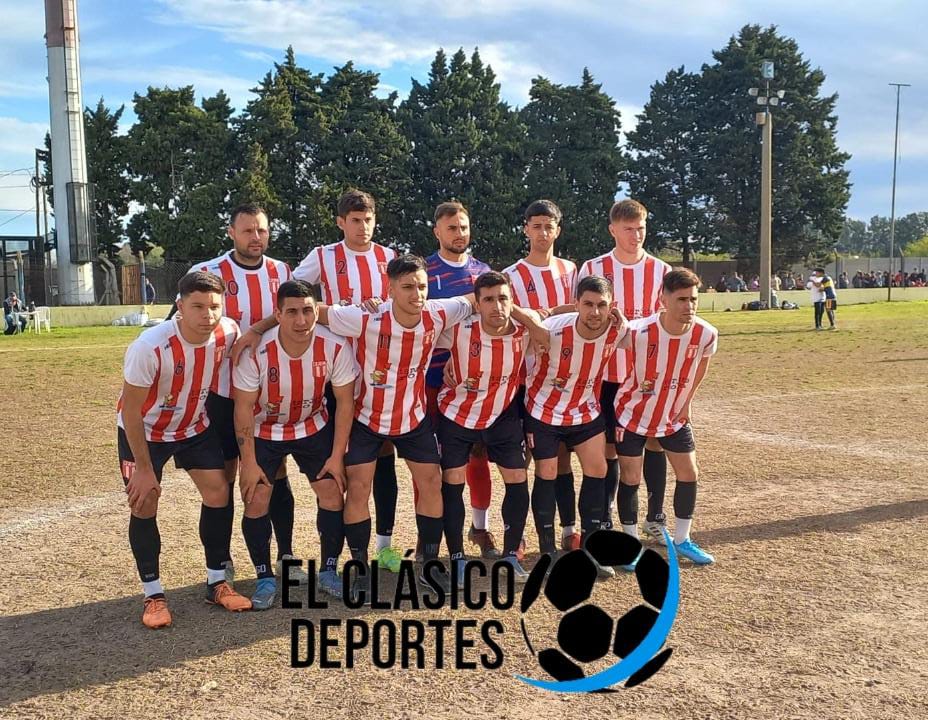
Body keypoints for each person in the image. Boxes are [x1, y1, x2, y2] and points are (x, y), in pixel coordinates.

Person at [117, 271, 251, 629]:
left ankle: (217, 582)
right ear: (180, 307)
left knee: (219, 491)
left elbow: (245, 349)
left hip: (193, 427)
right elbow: (130, 410)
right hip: (145, 431)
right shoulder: (150, 346)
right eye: (198, 306)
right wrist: (144, 468)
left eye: (214, 306)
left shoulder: (228, 331)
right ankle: (154, 594)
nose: (208, 315)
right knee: (144, 501)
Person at [290, 189, 402, 572]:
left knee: (384, 459)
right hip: (336, 375)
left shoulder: (388, 258)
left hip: (380, 375)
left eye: (368, 219)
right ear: (341, 222)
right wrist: (332, 311)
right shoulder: (323, 256)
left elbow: (403, 305)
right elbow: (292, 292)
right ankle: (335, 555)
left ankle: (385, 546)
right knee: (344, 467)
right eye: (355, 220)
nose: (363, 226)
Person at [187, 203, 297, 586]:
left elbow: (292, 314)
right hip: (221, 393)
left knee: (274, 472)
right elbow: (182, 325)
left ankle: (285, 553)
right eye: (248, 230)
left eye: (262, 231)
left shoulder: (282, 271)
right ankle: (220, 561)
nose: (256, 238)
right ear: (231, 232)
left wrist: (256, 329)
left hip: (270, 392)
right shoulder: (208, 273)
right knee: (225, 479)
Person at [232, 280, 359, 608]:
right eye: (292, 312)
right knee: (257, 497)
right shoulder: (257, 352)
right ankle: (264, 577)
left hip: (312, 426)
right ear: (278, 314)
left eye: (307, 311)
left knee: (332, 491)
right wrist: (248, 462)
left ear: (316, 311)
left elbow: (345, 403)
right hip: (265, 430)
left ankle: (329, 570)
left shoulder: (334, 346)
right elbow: (243, 408)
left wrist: (336, 455)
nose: (301, 320)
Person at [575, 199, 671, 546]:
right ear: (613, 229)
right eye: (629, 228)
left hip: (647, 376)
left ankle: (655, 518)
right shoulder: (594, 267)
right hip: (606, 376)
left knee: (654, 442)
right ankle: (606, 517)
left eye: (641, 227)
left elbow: (667, 323)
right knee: (611, 449)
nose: (636, 234)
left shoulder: (661, 271)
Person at [524, 275, 629, 578]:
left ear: (612, 307)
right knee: (547, 472)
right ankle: (548, 552)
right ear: (576, 303)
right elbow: (521, 341)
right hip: (544, 410)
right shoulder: (554, 330)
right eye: (588, 304)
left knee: (598, 469)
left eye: (601, 305)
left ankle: (592, 549)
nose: (595, 312)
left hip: (585, 410)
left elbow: (649, 337)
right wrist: (541, 315)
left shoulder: (617, 329)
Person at [614, 267, 718, 567]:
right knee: (631, 477)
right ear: (664, 299)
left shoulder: (706, 333)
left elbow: (702, 366)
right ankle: (630, 545)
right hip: (632, 414)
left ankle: (683, 539)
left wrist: (687, 400)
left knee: (689, 473)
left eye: (693, 299)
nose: (689, 306)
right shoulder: (638, 332)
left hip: (673, 416)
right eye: (682, 299)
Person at [435, 271, 531, 583]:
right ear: (477, 304)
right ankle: (457, 556)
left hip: (502, 415)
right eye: (488, 299)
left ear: (512, 301)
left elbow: (554, 323)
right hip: (456, 415)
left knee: (517, 478)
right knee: (453, 480)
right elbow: (419, 325)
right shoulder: (458, 330)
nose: (496, 306)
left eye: (503, 298)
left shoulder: (524, 330)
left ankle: (511, 555)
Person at [503, 200, 578, 552]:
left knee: (561, 457)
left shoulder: (571, 270)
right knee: (522, 462)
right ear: (525, 229)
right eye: (536, 226)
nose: (543, 232)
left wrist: (547, 313)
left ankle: (567, 530)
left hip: (567, 378)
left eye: (549, 226)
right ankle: (516, 537)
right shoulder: (512, 274)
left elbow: (582, 309)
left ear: (558, 230)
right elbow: (509, 313)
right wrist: (534, 318)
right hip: (527, 377)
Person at [424, 201, 497, 559]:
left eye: (464, 227)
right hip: (430, 378)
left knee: (477, 456)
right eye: (452, 228)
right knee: (433, 462)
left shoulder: (483, 272)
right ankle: (432, 538)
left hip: (473, 381)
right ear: (437, 231)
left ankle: (479, 527)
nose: (459, 234)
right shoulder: (424, 271)